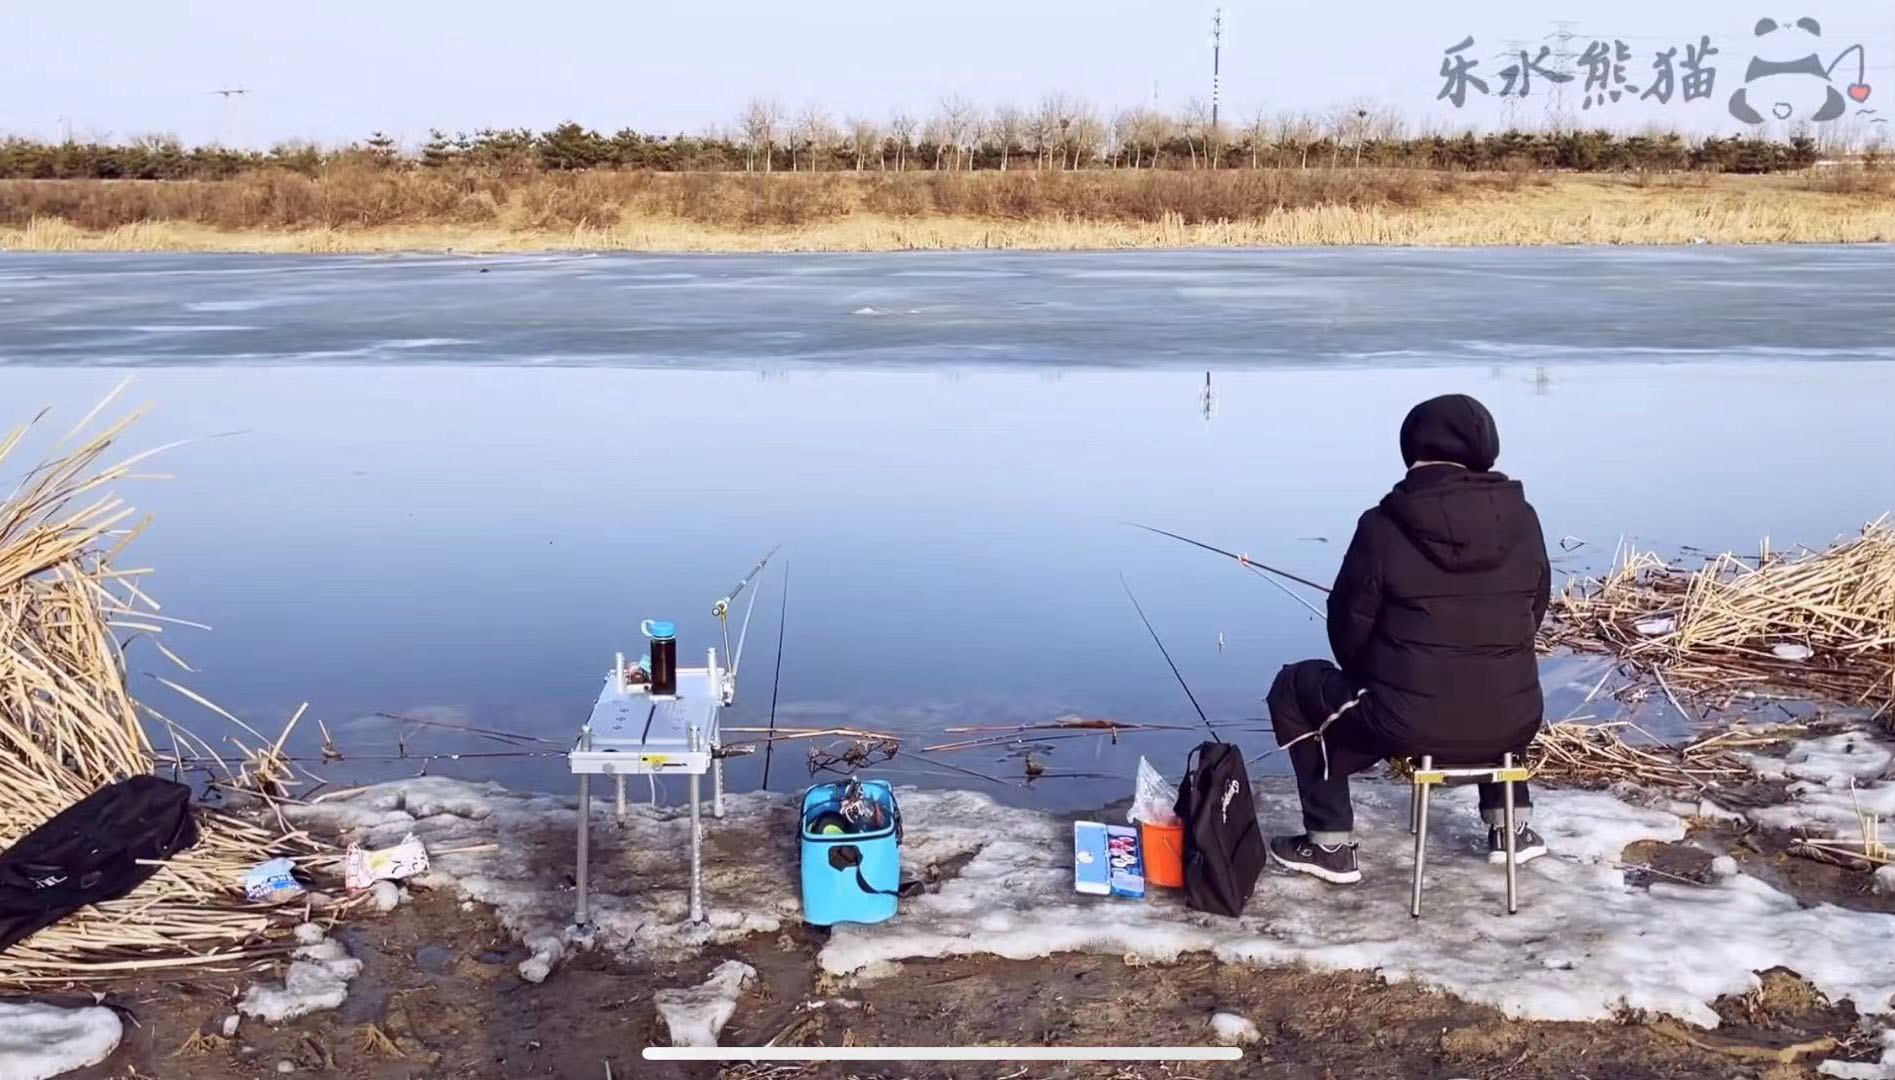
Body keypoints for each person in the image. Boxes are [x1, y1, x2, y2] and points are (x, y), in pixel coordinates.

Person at [1264, 394, 1551, 885]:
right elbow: (1533, 611)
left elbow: (1348, 624)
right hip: (1514, 721)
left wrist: (1374, 675)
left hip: (1405, 724)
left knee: (1293, 687)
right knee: (1491, 674)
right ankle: (1512, 828)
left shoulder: (1381, 525)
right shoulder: (1522, 520)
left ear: (1410, 447)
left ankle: (1330, 842)